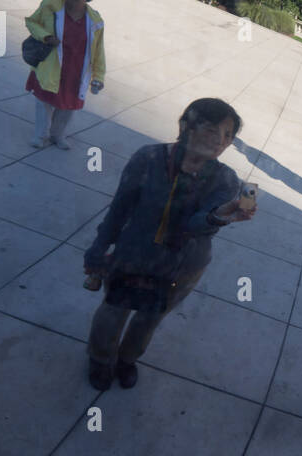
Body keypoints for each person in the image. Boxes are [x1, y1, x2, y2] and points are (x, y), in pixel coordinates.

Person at [83, 98, 256, 390]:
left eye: (228, 135)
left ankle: (127, 360)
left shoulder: (226, 180)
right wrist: (99, 247)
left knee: (150, 317)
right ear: (186, 125)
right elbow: (120, 209)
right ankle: (100, 360)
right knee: (114, 310)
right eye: (212, 128)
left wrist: (218, 217)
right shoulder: (148, 158)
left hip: (182, 266)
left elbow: (196, 226)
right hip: (134, 253)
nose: (219, 140)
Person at [25, 0, 106, 150]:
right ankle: (40, 135)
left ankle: (57, 135)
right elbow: (31, 22)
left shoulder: (95, 21)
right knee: (44, 102)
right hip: (51, 65)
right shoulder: (50, 6)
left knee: (68, 107)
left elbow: (99, 51)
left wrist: (99, 76)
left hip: (77, 70)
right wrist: (45, 36)